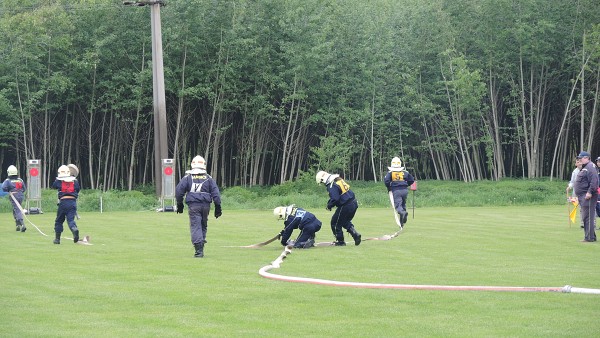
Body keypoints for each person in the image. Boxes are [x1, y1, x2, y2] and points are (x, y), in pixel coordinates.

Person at [175, 155, 222, 258]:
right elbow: (216, 193)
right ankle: (201, 247)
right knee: (203, 225)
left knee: (196, 226)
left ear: (192, 164)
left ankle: (198, 251)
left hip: (193, 206)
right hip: (206, 206)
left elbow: (179, 191)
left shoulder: (188, 177)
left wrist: (180, 204)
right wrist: (218, 206)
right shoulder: (208, 178)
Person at [316, 171, 361, 246]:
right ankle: (355, 234)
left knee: (335, 223)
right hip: (353, 202)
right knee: (344, 221)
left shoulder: (331, 185)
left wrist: (329, 205)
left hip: (345, 205)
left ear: (322, 180)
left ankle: (340, 242)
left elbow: (335, 198)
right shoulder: (337, 179)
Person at [51, 164, 81, 244]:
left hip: (63, 202)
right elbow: (77, 189)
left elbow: (53, 186)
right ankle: (74, 229)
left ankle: (57, 239)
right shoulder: (75, 181)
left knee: (59, 221)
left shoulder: (58, 181)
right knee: (70, 220)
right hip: (72, 202)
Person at [573, 151, 598, 242]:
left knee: (588, 217)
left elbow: (594, 181)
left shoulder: (590, 167)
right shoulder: (585, 167)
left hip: (588, 196)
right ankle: (591, 236)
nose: (580, 160)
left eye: (581, 158)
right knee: (585, 217)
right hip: (583, 196)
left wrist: (590, 192)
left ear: (587, 158)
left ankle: (589, 238)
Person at [384, 157, 415, 227]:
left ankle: (403, 213)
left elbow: (386, 181)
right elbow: (412, 180)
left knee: (398, 205)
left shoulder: (390, 173)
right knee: (403, 204)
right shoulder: (405, 172)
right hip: (405, 190)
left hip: (396, 191)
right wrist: (407, 184)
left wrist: (389, 187)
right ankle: (402, 222)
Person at [2, 165, 26, 232]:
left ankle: (22, 224)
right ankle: (17, 224)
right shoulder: (20, 180)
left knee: (17, 209)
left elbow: (4, 188)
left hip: (14, 196)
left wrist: (9, 191)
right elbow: (24, 188)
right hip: (21, 196)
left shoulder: (8, 180)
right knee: (15, 209)